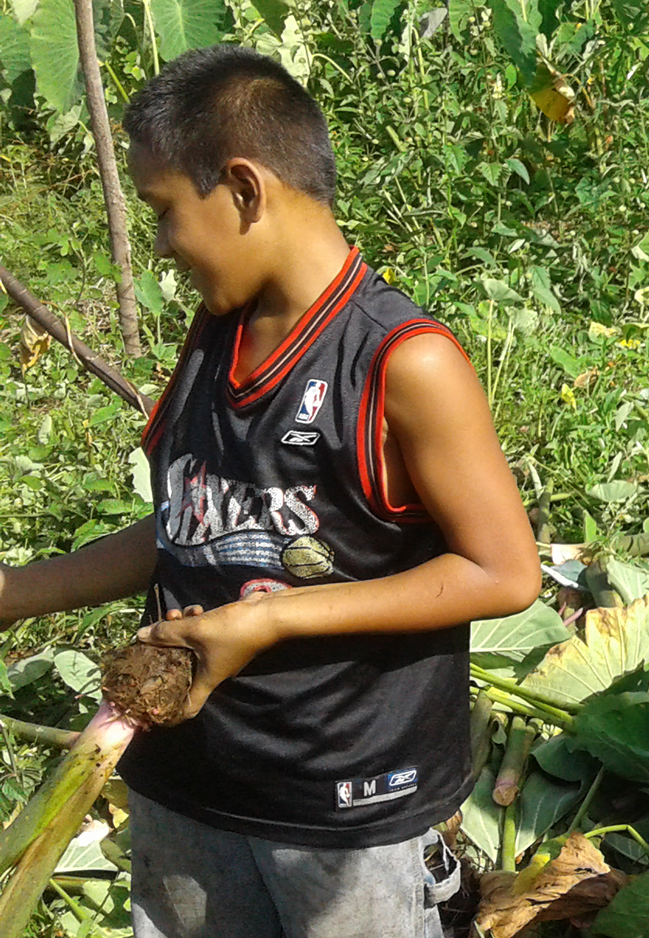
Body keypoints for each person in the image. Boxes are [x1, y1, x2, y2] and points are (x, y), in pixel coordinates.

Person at [0, 46, 544, 938]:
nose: (164, 245)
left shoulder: (403, 362)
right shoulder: (218, 333)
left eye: (165, 212)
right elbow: (191, 526)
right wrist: (18, 590)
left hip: (344, 810)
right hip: (190, 783)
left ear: (245, 189)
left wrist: (273, 619)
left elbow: (504, 571)